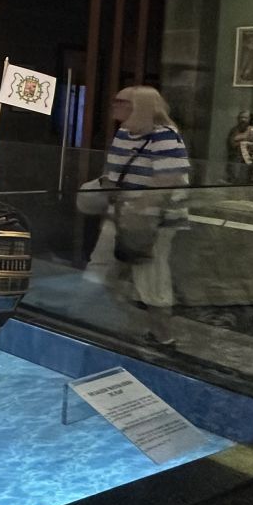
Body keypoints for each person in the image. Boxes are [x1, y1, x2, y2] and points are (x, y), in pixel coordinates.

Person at [87, 86, 189, 346]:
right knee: (101, 268)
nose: (115, 105)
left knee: (151, 278)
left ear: (140, 107)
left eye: (123, 102)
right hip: (122, 216)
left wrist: (139, 209)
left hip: (152, 222)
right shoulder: (124, 133)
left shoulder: (164, 136)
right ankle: (106, 325)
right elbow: (114, 172)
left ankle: (163, 336)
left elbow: (170, 180)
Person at [225, 111, 253, 186]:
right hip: (235, 161)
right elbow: (229, 145)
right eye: (241, 117)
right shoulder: (233, 131)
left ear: (250, 119)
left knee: (249, 182)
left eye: (245, 117)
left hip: (250, 162)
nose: (243, 119)